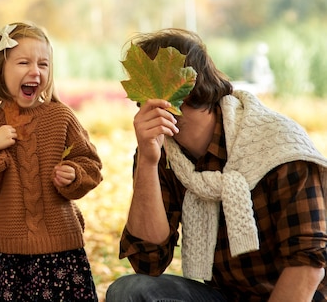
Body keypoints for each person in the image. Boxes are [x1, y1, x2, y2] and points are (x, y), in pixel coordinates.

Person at [106, 28, 327, 302]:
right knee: (130, 292)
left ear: (193, 86)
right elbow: (147, 261)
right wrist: (148, 163)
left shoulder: (278, 145)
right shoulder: (160, 150)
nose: (153, 104)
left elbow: (309, 265)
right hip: (227, 295)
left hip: (298, 296)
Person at [0, 22, 103, 301]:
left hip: (60, 252)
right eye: (23, 62)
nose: (35, 71)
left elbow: (91, 164)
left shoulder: (60, 116)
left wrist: (74, 174)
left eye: (44, 64)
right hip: (4, 257)